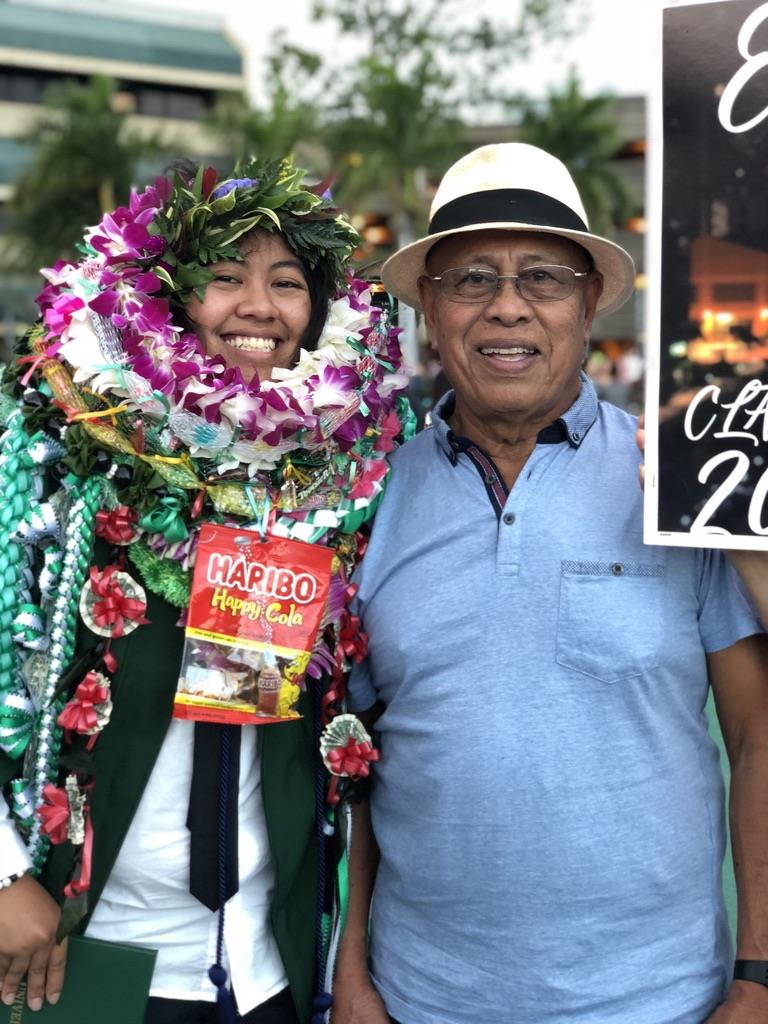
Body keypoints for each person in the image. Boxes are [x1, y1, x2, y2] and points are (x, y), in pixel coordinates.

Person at [332, 143, 768, 1024]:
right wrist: (352, 972)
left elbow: (758, 737)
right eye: (469, 279)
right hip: (424, 999)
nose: (507, 308)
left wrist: (758, 976)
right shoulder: (367, 496)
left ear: (590, 299)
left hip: (662, 1002)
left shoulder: (681, 473)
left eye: (543, 276)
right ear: (428, 304)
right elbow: (357, 767)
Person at [0, 156, 410, 1022]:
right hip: (81, 952)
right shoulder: (60, 443)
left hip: (266, 962)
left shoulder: (339, 482)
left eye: (288, 282)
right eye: (225, 276)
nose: (258, 307)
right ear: (167, 298)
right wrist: (0, 871)